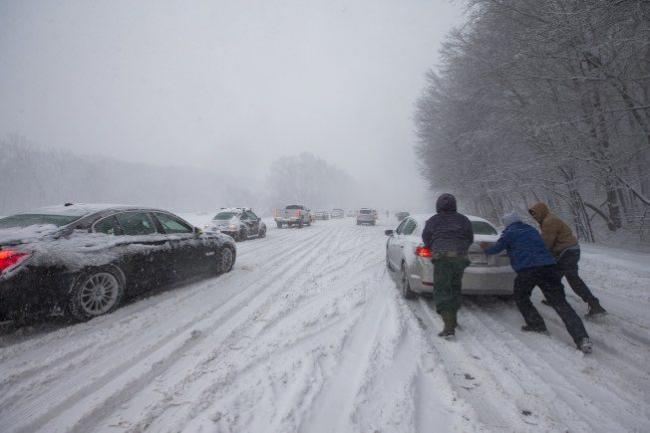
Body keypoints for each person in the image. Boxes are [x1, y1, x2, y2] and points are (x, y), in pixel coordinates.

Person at [481, 212, 593, 353]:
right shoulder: (531, 230)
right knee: (561, 303)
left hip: (528, 271)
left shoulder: (509, 233)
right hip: (549, 268)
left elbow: (495, 250)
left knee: (521, 296)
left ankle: (536, 324)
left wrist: (485, 248)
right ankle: (582, 338)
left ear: (507, 224)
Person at [528, 202, 606, 317]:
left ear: (542, 211)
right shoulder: (548, 220)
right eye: (532, 214)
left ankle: (595, 305)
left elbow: (546, 243)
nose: (534, 216)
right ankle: (554, 299)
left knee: (570, 279)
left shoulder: (549, 222)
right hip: (569, 252)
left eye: (535, 213)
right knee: (557, 277)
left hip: (567, 253)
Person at [421, 193, 474, 338]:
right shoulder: (463, 220)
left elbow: (426, 237)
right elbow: (470, 238)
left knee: (443, 291)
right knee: (455, 288)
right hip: (460, 259)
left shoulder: (433, 221)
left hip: (443, 259)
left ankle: (449, 326)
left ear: (438, 205)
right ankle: (453, 319)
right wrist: (461, 250)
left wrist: (434, 247)